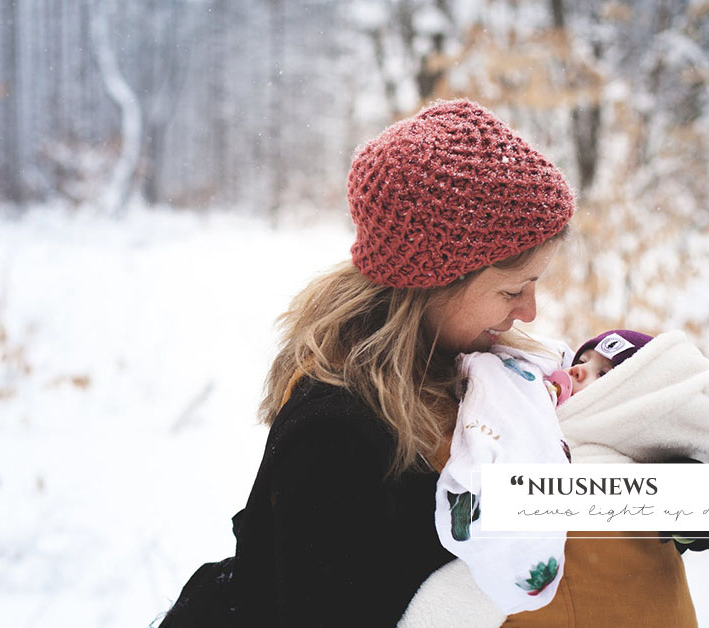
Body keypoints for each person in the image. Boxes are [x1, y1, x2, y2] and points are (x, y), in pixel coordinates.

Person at [156, 98, 575, 627]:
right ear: (432, 285)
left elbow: (555, 490)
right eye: (513, 290)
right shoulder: (335, 432)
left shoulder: (483, 371)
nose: (530, 311)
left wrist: (673, 504)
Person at [401, 329, 709, 628]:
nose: (577, 370)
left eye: (603, 374)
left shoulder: (621, 468)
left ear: (632, 400)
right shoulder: (541, 443)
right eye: (582, 360)